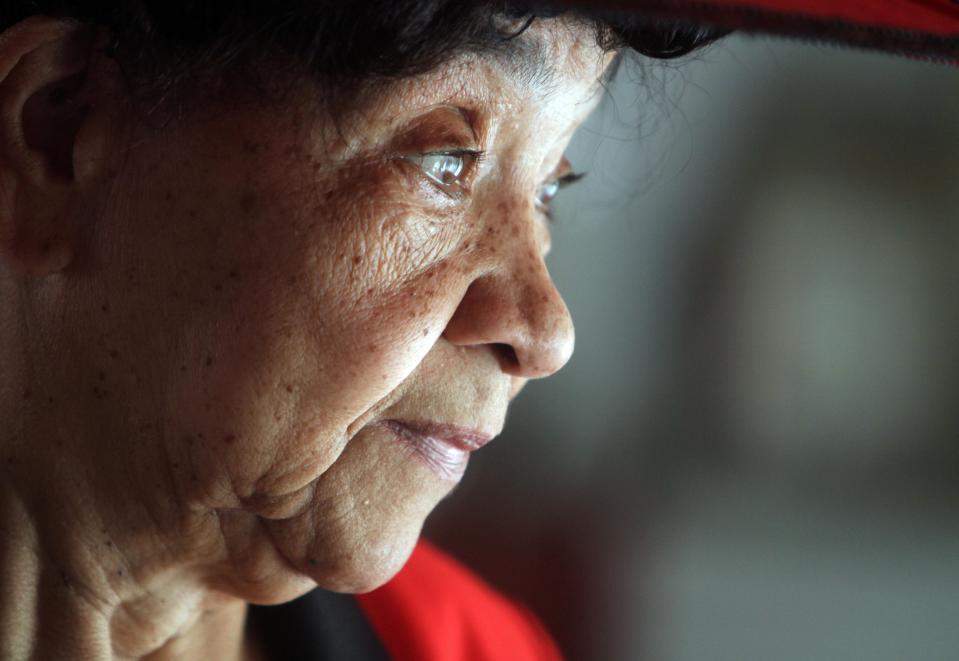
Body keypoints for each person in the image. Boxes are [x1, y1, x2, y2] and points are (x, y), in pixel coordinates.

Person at [0, 2, 721, 659]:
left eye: (545, 193)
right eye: (444, 160)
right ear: (57, 134)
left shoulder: (473, 647)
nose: (545, 332)